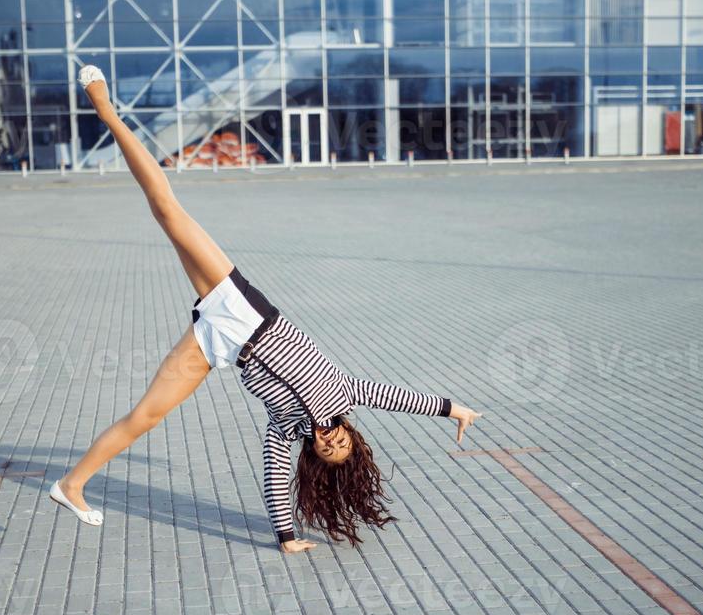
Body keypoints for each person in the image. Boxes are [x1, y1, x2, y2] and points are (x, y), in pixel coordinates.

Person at [51, 64, 481, 553]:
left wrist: (286, 536)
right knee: (168, 210)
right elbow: (399, 397)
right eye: (341, 443)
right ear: (350, 435)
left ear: (315, 457)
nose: (330, 442)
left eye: (327, 451)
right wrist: (453, 410)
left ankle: (70, 485)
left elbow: (274, 479)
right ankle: (106, 108)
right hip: (245, 311)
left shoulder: (283, 430)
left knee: (145, 417)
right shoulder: (345, 392)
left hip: (219, 347)